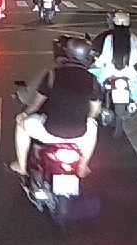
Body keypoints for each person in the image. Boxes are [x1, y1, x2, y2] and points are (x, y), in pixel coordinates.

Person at [9, 36, 102, 179]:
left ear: (67, 53)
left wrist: (23, 114)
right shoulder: (92, 79)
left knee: (21, 124)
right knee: (93, 125)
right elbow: (95, 111)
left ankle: (21, 166)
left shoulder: (52, 75)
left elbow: (36, 104)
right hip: (79, 135)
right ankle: (83, 166)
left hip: (49, 132)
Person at [90, 10, 137, 103]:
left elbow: (105, 56)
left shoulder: (109, 38)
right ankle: (134, 103)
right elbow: (136, 57)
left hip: (109, 71)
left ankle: (97, 101)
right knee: (135, 88)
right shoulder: (133, 37)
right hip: (129, 71)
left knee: (95, 81)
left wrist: (96, 64)